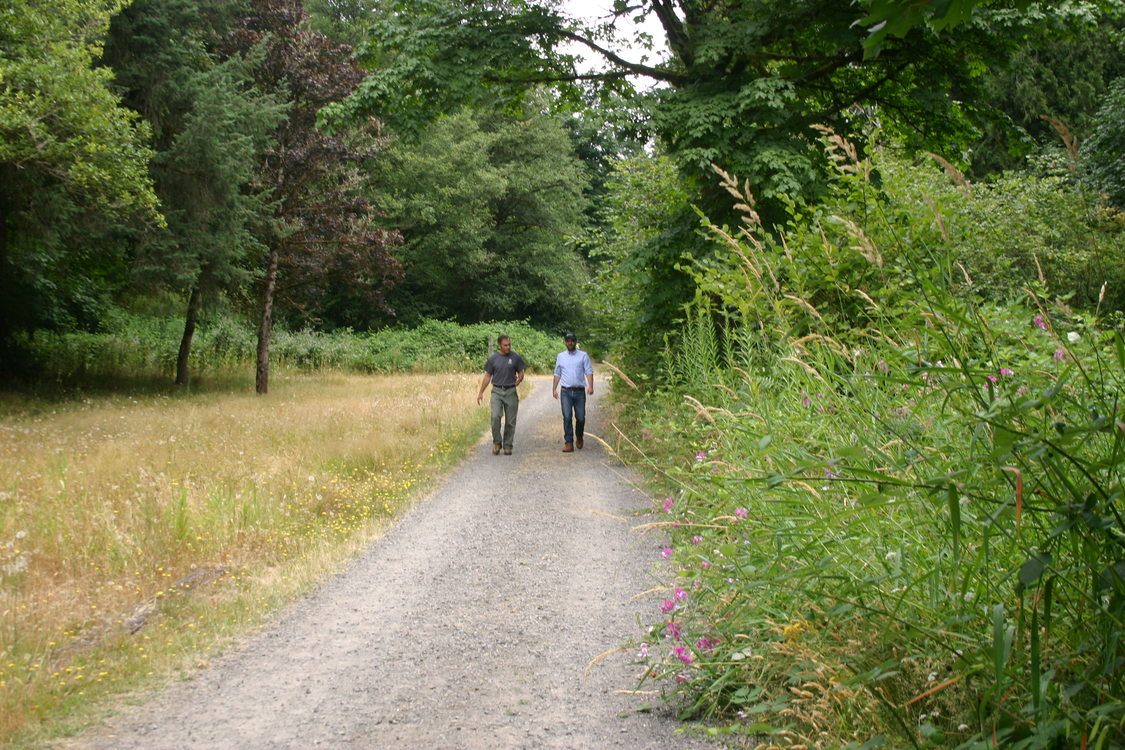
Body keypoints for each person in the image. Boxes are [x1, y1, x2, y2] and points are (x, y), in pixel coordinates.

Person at [476, 334, 526, 455]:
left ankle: (508, 445)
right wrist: (481, 392)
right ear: (499, 345)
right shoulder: (493, 359)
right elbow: (488, 376)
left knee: (510, 420)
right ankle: (497, 442)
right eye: (505, 345)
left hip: (510, 391)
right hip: (497, 391)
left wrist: (519, 379)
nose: (508, 347)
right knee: (495, 417)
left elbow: (521, 372)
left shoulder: (515, 357)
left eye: (509, 344)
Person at [552, 332, 594, 453]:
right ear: (565, 342)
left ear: (576, 342)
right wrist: (554, 389)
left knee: (580, 418)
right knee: (567, 417)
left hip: (579, 392)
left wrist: (590, 386)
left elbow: (589, 371)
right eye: (568, 341)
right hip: (565, 391)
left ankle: (579, 436)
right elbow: (557, 373)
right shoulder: (561, 356)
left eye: (572, 341)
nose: (570, 343)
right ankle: (569, 443)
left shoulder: (583, 355)